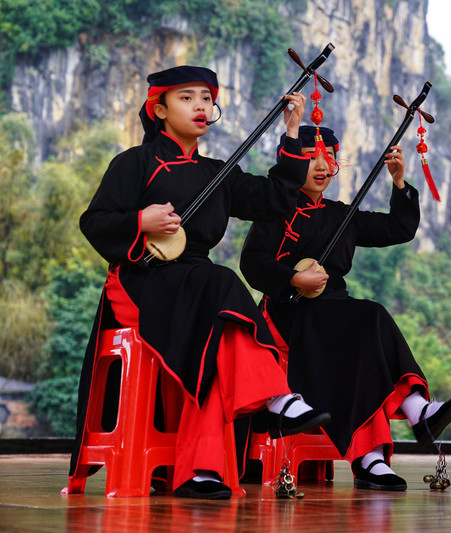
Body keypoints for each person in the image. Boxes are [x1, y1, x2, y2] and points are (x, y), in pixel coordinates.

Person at [73, 66, 330, 500]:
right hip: (142, 277)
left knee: (218, 334)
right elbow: (94, 222)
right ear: (159, 109)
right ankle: (273, 401)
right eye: (187, 98)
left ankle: (204, 470)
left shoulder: (219, 172)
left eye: (206, 99)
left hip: (198, 283)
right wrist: (140, 219)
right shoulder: (135, 162)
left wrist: (290, 132)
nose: (200, 106)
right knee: (220, 287)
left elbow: (274, 201)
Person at [240, 125, 451, 491]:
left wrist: (398, 183)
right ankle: (390, 434)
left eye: (329, 157)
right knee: (368, 318)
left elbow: (398, 228)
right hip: (289, 310)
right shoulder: (275, 208)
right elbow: (251, 262)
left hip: (335, 311)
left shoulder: (343, 216)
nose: (322, 165)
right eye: (312, 158)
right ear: (295, 160)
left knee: (365, 331)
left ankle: (394, 433)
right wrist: (294, 279)